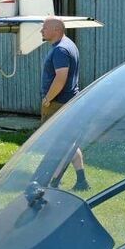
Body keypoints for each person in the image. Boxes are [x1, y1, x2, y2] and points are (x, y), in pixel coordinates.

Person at [40, 17, 88, 192]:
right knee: (69, 143)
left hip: (58, 104)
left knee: (56, 146)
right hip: (69, 102)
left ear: (55, 29)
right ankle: (81, 180)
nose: (41, 31)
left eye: (44, 28)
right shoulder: (69, 45)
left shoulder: (60, 49)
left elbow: (61, 78)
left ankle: (53, 182)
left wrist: (48, 99)